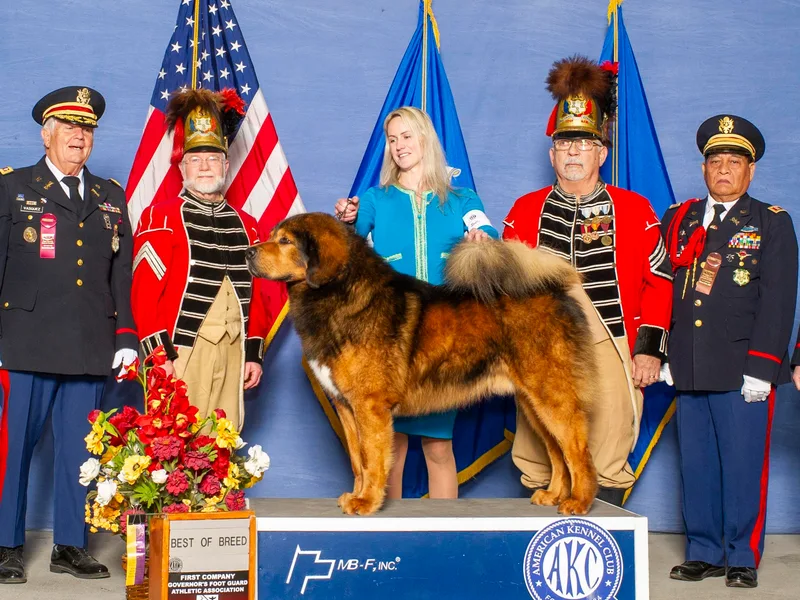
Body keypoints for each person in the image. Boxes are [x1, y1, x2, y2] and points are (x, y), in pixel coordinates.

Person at [502, 56, 673, 507]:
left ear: (602, 153)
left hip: (613, 343)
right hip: (541, 350)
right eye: (565, 143)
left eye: (584, 143)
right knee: (540, 449)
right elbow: (506, 291)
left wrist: (649, 349)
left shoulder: (635, 209)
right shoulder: (524, 210)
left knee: (611, 443)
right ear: (552, 153)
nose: (573, 152)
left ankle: (602, 555)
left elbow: (659, 280)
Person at [0, 86, 139, 583]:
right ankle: (5, 545)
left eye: (87, 129)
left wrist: (126, 336)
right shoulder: (13, 187)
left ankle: (70, 544)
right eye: (69, 127)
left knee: (79, 452)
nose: (79, 136)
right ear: (47, 134)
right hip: (25, 341)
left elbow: (121, 273)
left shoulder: (110, 195)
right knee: (13, 447)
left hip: (88, 343)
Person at [334, 106, 498, 499]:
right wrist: (345, 219)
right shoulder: (375, 198)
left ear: (425, 140)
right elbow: (347, 245)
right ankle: (389, 536)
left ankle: (444, 538)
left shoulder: (461, 197)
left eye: (406, 136)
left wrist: (483, 236)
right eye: (392, 140)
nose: (399, 146)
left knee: (439, 446)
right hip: (389, 337)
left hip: (443, 337)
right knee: (390, 444)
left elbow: (485, 225)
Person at [662, 115, 797, 589]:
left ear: (750, 170)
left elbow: (779, 300)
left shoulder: (771, 222)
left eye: (733, 162)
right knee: (695, 464)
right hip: (689, 363)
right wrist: (663, 354)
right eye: (714, 161)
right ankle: (702, 550)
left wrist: (763, 367)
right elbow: (664, 290)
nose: (723, 170)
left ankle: (741, 554)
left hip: (742, 368)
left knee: (741, 464)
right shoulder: (677, 218)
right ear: (703, 169)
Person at [131, 89, 269, 430]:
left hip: (235, 351)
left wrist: (253, 354)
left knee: (224, 443)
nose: (205, 166)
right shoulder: (159, 217)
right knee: (172, 447)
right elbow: (144, 294)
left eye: (212, 158)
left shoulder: (248, 225)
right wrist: (158, 356)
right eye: (195, 159)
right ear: (181, 166)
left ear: (226, 163)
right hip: (181, 352)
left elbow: (260, 296)